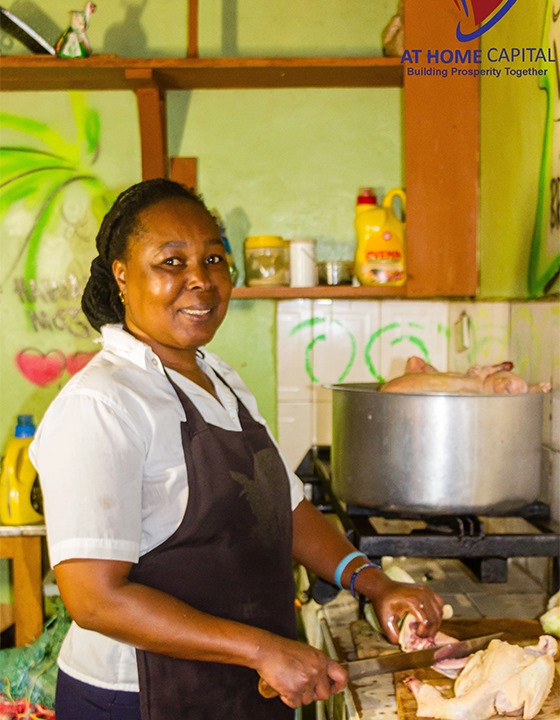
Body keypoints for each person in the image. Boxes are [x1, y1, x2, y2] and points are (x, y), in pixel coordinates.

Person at [30, 178, 444, 720]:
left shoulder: (221, 380)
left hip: (243, 684)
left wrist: (377, 584)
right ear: (123, 275)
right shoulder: (102, 403)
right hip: (140, 698)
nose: (201, 280)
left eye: (213, 259)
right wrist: (261, 649)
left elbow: (285, 510)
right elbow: (94, 599)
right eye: (172, 262)